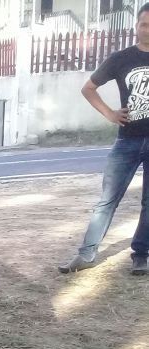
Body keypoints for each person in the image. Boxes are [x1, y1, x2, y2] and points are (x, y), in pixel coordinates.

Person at [62, 2, 149, 276]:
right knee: (107, 199)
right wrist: (110, 114)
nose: (148, 30)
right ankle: (87, 253)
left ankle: (141, 255)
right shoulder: (120, 58)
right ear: (136, 26)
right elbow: (88, 88)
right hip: (128, 140)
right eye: (144, 24)